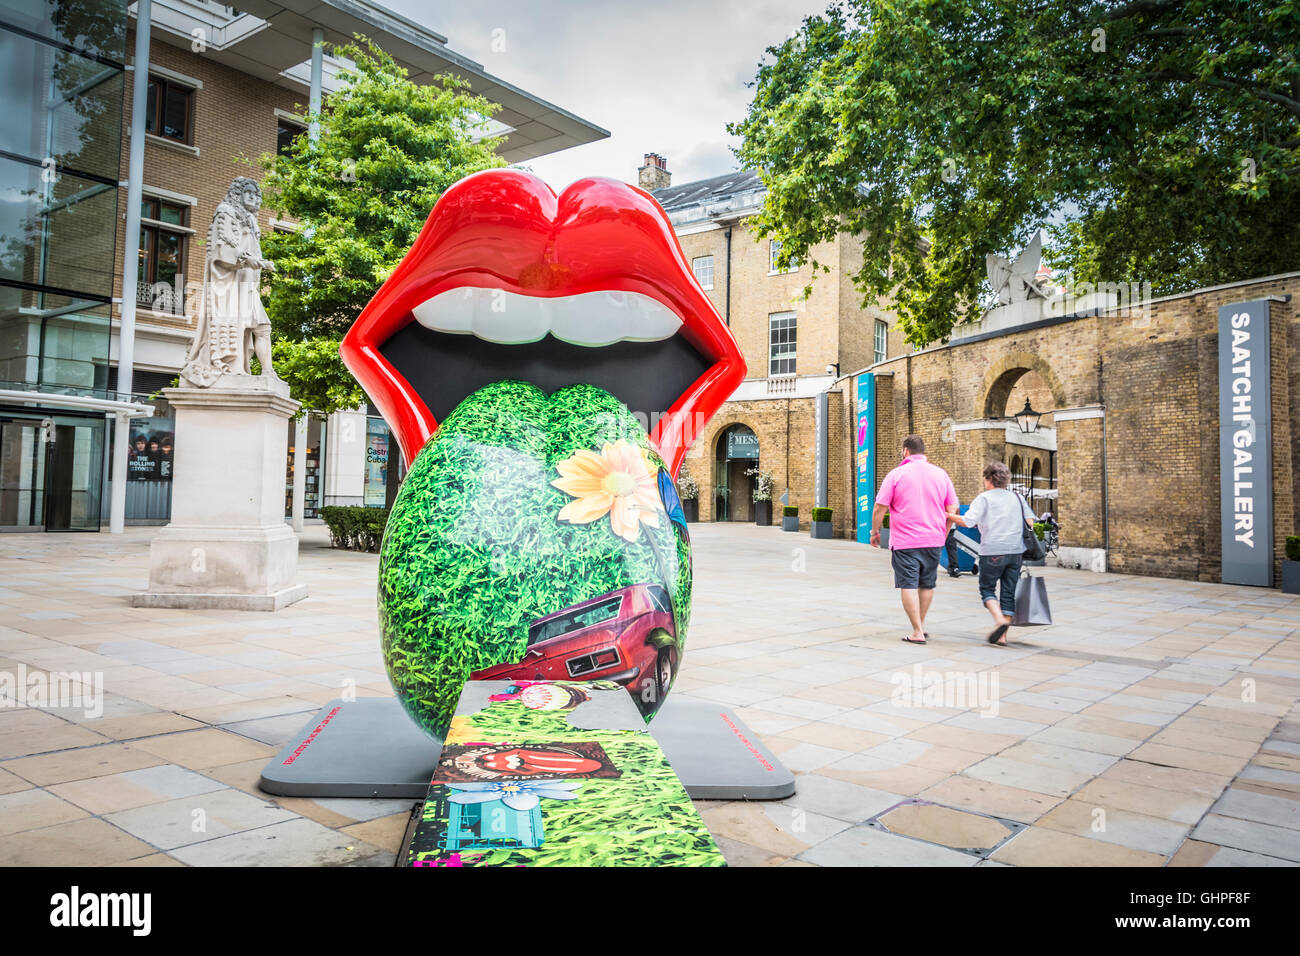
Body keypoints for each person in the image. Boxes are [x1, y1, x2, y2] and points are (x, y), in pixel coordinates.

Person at [871, 435, 958, 645]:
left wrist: (875, 532)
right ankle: (920, 625)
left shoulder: (896, 474)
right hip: (933, 540)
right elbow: (952, 509)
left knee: (908, 584)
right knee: (927, 584)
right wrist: (943, 534)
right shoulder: (941, 474)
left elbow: (880, 507)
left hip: (905, 541)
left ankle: (917, 631)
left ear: (905, 452)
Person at [947, 461, 1035, 646]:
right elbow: (1030, 522)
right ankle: (1002, 637)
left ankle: (999, 621)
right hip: (1016, 551)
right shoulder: (1017, 498)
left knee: (987, 589)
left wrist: (948, 516)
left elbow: (968, 521)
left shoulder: (984, 498)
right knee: (1008, 593)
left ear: (988, 479)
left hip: (992, 550)